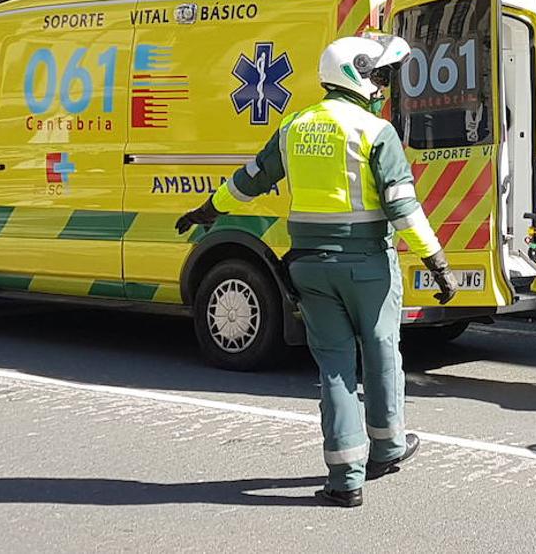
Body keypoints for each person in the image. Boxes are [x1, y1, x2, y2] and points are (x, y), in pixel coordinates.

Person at [175, 33, 460, 509]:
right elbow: (403, 207)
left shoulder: (294, 127)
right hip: (367, 265)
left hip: (309, 267)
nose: (384, 87)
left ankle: (345, 479)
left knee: (334, 367)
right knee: (381, 352)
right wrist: (437, 261)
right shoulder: (375, 131)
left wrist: (208, 209)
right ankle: (387, 448)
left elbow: (248, 181)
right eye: (379, 76)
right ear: (359, 74)